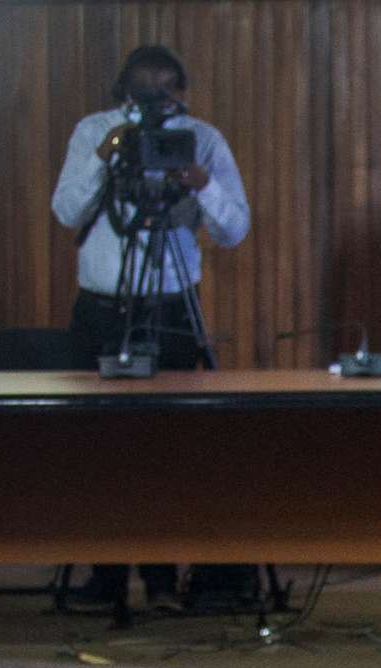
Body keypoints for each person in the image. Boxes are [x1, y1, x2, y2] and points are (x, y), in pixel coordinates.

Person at [52, 45, 250, 614]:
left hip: (168, 307)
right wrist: (105, 154)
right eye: (143, 92)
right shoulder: (94, 130)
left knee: (169, 445)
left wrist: (202, 184)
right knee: (95, 447)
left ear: (180, 93)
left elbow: (235, 227)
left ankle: (163, 577)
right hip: (102, 306)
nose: (155, 104)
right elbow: (65, 210)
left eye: (166, 92)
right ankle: (106, 577)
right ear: (121, 93)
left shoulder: (203, 139)